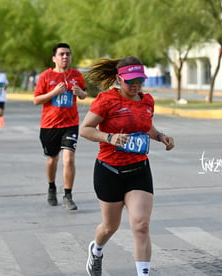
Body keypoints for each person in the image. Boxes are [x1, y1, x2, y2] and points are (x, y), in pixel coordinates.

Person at [80, 56, 174, 276]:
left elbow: (145, 125)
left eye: (140, 79)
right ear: (118, 79)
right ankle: (97, 249)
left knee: (141, 225)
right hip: (109, 171)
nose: (135, 85)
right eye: (130, 80)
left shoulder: (147, 101)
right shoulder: (106, 100)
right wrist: (109, 137)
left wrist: (160, 136)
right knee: (109, 227)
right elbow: (85, 129)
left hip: (138, 171)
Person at [33, 43, 87, 210]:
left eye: (68, 54)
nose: (65, 57)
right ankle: (51, 187)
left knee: (69, 158)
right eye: (62, 54)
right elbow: (36, 100)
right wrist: (53, 93)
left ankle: (68, 195)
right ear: (54, 58)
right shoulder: (45, 76)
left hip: (70, 124)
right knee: (52, 159)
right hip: (49, 126)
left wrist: (81, 94)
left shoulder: (76, 75)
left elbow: (84, 94)